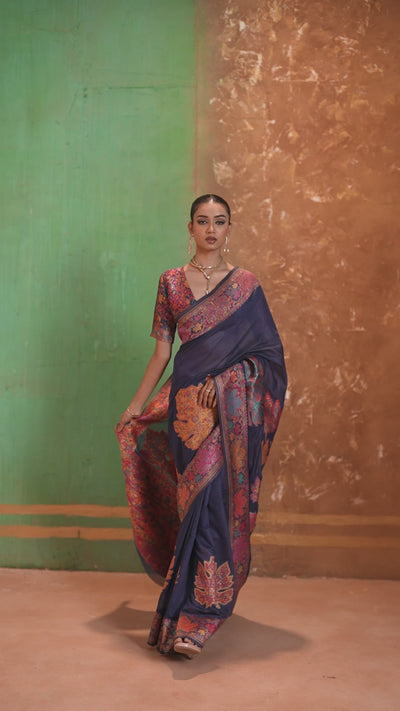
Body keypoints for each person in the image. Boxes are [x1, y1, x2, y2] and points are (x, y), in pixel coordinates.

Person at [115, 194, 287, 659]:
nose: (211, 229)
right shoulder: (170, 282)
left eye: (220, 221)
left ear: (229, 228)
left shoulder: (246, 286)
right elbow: (161, 354)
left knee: (212, 506)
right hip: (186, 412)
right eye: (203, 221)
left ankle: (200, 621)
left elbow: (270, 357)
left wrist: (230, 380)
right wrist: (136, 406)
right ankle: (180, 615)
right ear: (189, 227)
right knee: (191, 508)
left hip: (227, 414)